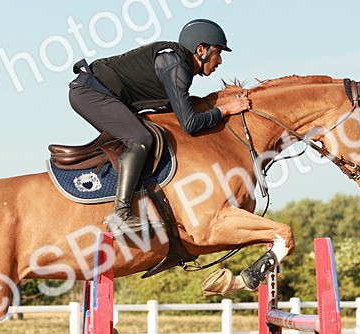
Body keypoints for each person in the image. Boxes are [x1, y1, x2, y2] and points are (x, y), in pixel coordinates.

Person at [68, 18, 252, 233]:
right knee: (141, 139)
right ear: (201, 50)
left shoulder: (178, 65)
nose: (219, 61)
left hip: (96, 92)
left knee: (145, 137)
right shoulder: (177, 67)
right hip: (89, 93)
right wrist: (226, 110)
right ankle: (121, 214)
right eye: (218, 52)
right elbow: (190, 124)